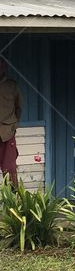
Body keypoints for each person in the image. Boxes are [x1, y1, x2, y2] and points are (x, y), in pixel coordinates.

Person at [0, 58, 22, 187]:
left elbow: (19, 107)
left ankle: (13, 202)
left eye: (1, 64)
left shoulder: (12, 86)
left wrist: (14, 125)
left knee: (9, 169)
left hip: (7, 134)